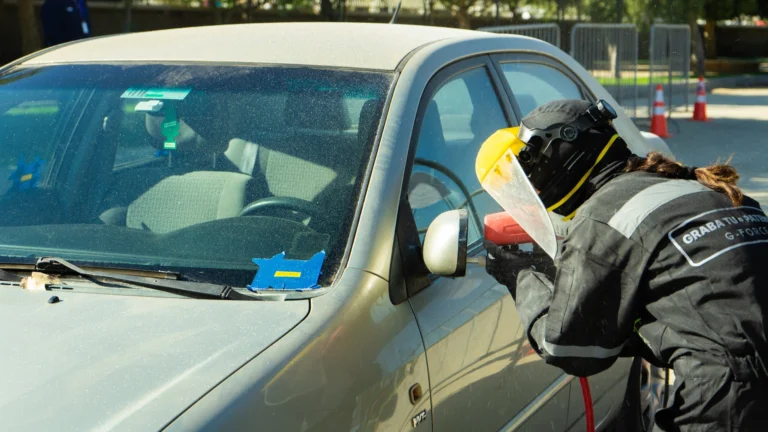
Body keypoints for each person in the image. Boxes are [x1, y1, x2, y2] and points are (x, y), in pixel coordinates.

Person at [480, 99, 768, 431]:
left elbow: (567, 347)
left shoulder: (606, 214)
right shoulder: (703, 188)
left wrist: (518, 273)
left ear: (561, 150)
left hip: (733, 394)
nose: (533, 184)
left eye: (529, 166)